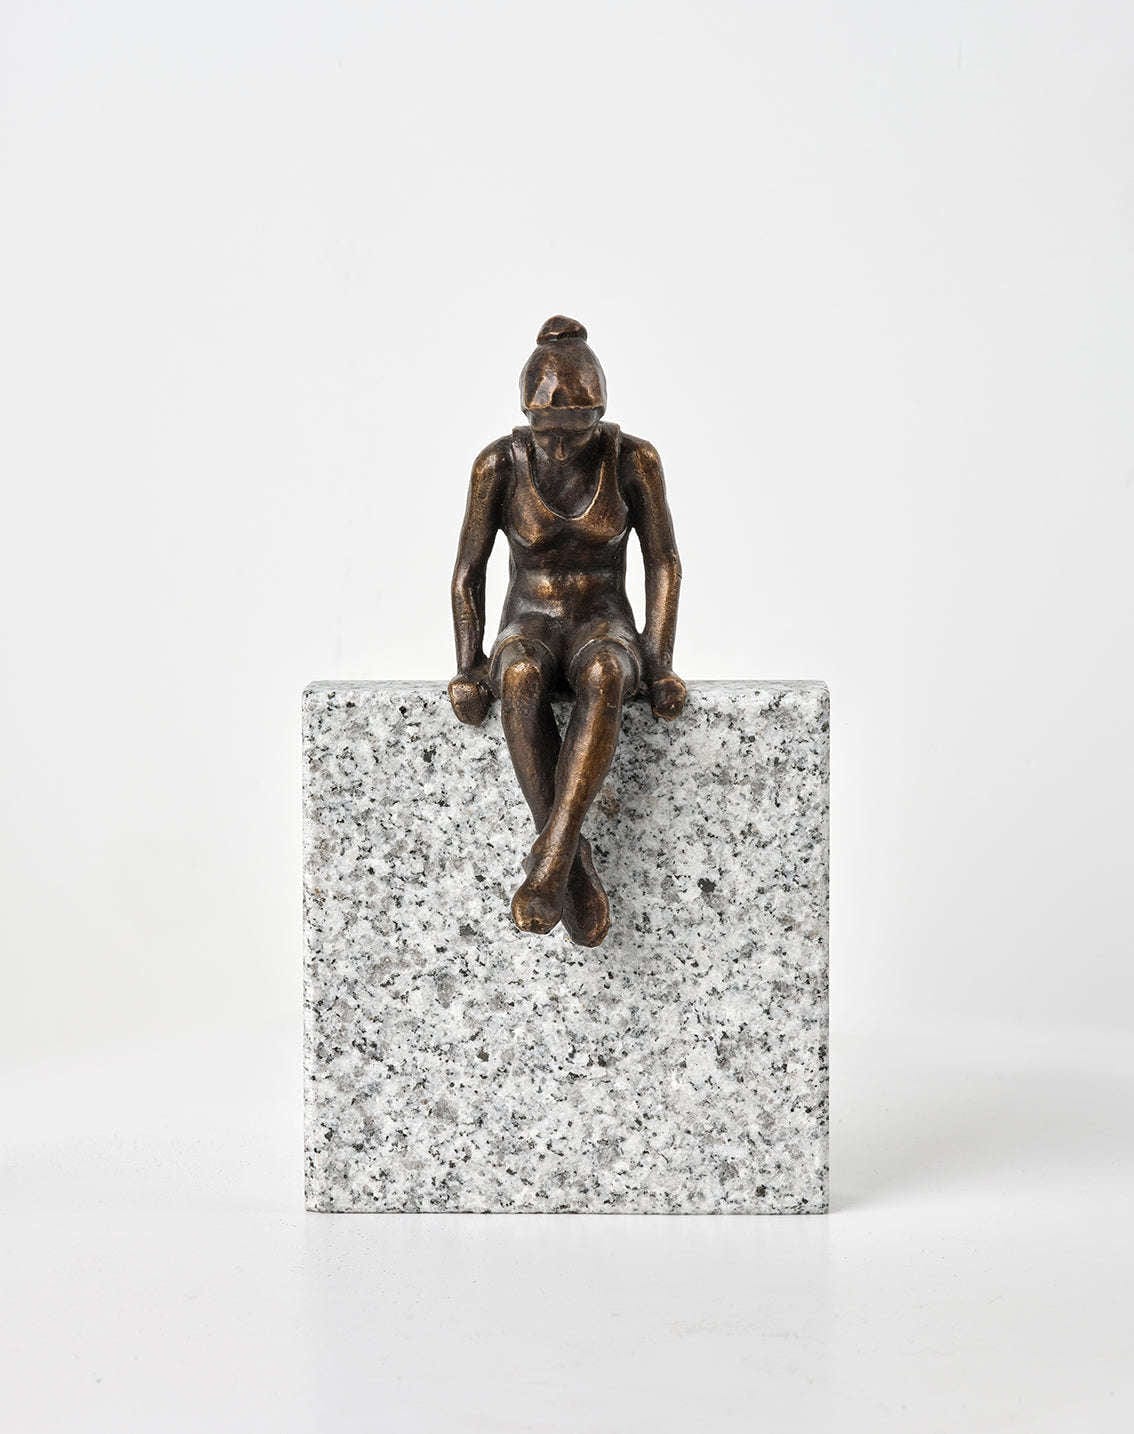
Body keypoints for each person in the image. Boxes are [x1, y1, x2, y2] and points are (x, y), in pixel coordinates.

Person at [449, 316, 685, 946]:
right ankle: (570, 866)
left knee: (606, 672)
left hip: (602, 618)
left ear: (599, 416)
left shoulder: (632, 459)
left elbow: (663, 562)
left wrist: (658, 661)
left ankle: (550, 858)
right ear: (527, 416)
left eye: (575, 432)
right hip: (528, 618)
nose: (558, 447)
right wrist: (468, 665)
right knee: (520, 676)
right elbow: (469, 571)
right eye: (546, 431)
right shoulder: (499, 463)